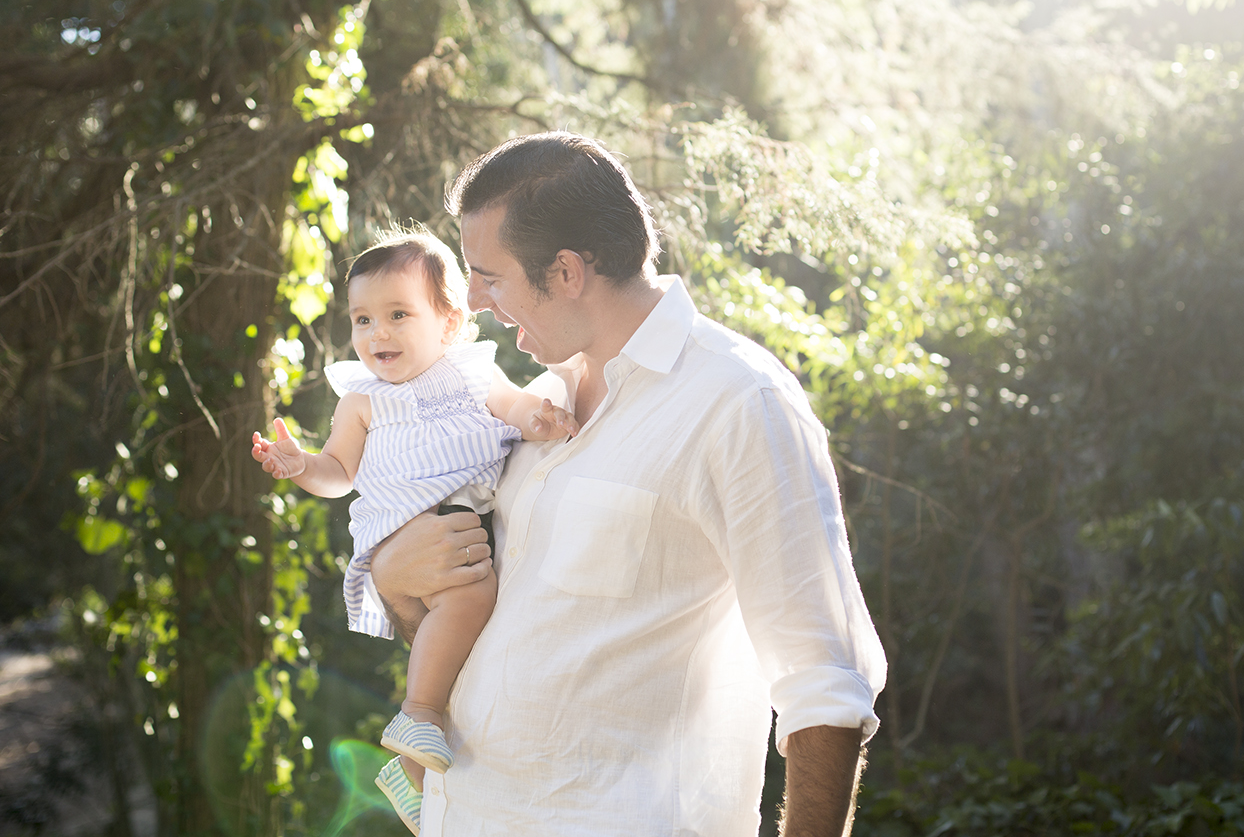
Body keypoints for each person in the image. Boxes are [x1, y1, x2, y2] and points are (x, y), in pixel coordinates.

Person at [369, 132, 887, 837]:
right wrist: (398, 584)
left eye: (490, 276)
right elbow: (486, 634)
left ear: (567, 272)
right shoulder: (535, 406)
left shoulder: (739, 402)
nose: (476, 302)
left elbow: (825, 685)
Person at [249, 228, 578, 834]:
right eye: (363, 319)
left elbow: (515, 409)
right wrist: (300, 466)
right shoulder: (362, 401)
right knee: (472, 600)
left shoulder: (473, 375)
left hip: (460, 525)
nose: (378, 333)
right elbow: (338, 472)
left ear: (449, 323)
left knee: (469, 632)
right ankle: (416, 717)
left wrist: (543, 416)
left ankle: (415, 768)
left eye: (399, 314)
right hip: (405, 530)